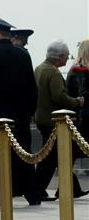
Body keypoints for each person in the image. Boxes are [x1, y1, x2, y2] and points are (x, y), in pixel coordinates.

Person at [0, 14, 41, 206]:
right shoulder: (23, 54)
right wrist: (30, 111)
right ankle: (32, 194)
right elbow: (31, 87)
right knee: (24, 155)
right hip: (20, 114)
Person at [34, 39, 85, 199]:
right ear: (59, 57)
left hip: (41, 118)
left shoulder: (39, 69)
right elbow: (59, 96)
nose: (68, 58)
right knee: (51, 159)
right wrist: (77, 101)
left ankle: (71, 188)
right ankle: (38, 190)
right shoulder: (54, 72)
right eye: (66, 55)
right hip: (53, 121)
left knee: (53, 157)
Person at [66, 39, 89, 195]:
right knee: (75, 152)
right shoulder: (81, 70)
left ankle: (67, 186)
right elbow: (83, 94)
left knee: (73, 153)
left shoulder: (74, 70)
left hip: (79, 117)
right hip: (84, 117)